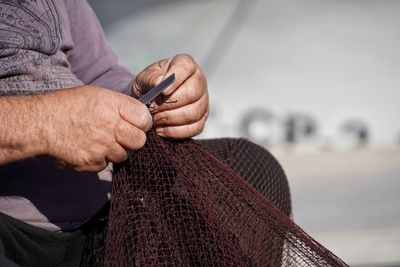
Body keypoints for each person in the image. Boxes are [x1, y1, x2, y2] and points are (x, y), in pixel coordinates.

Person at [0, 1, 290, 266]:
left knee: (248, 169)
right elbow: (51, 119)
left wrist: (145, 95)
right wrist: (42, 124)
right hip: (10, 234)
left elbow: (98, 74)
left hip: (104, 219)